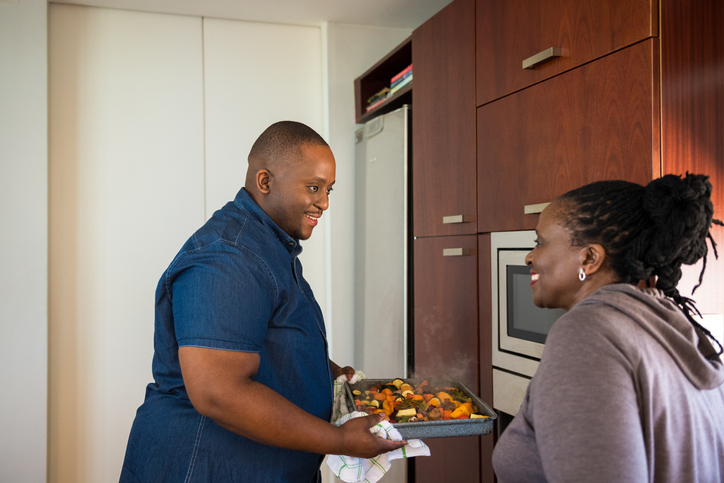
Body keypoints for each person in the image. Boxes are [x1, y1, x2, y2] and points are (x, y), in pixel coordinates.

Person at [120, 121, 405, 482]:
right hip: (206, 466)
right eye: (313, 187)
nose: (325, 202)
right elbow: (218, 392)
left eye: (329, 189)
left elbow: (264, 335)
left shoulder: (268, 243)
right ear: (266, 182)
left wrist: (323, 371)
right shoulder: (228, 257)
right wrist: (339, 440)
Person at [492, 173, 724, 482]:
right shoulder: (675, 324)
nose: (529, 257)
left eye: (540, 242)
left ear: (589, 258)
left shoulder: (586, 335)